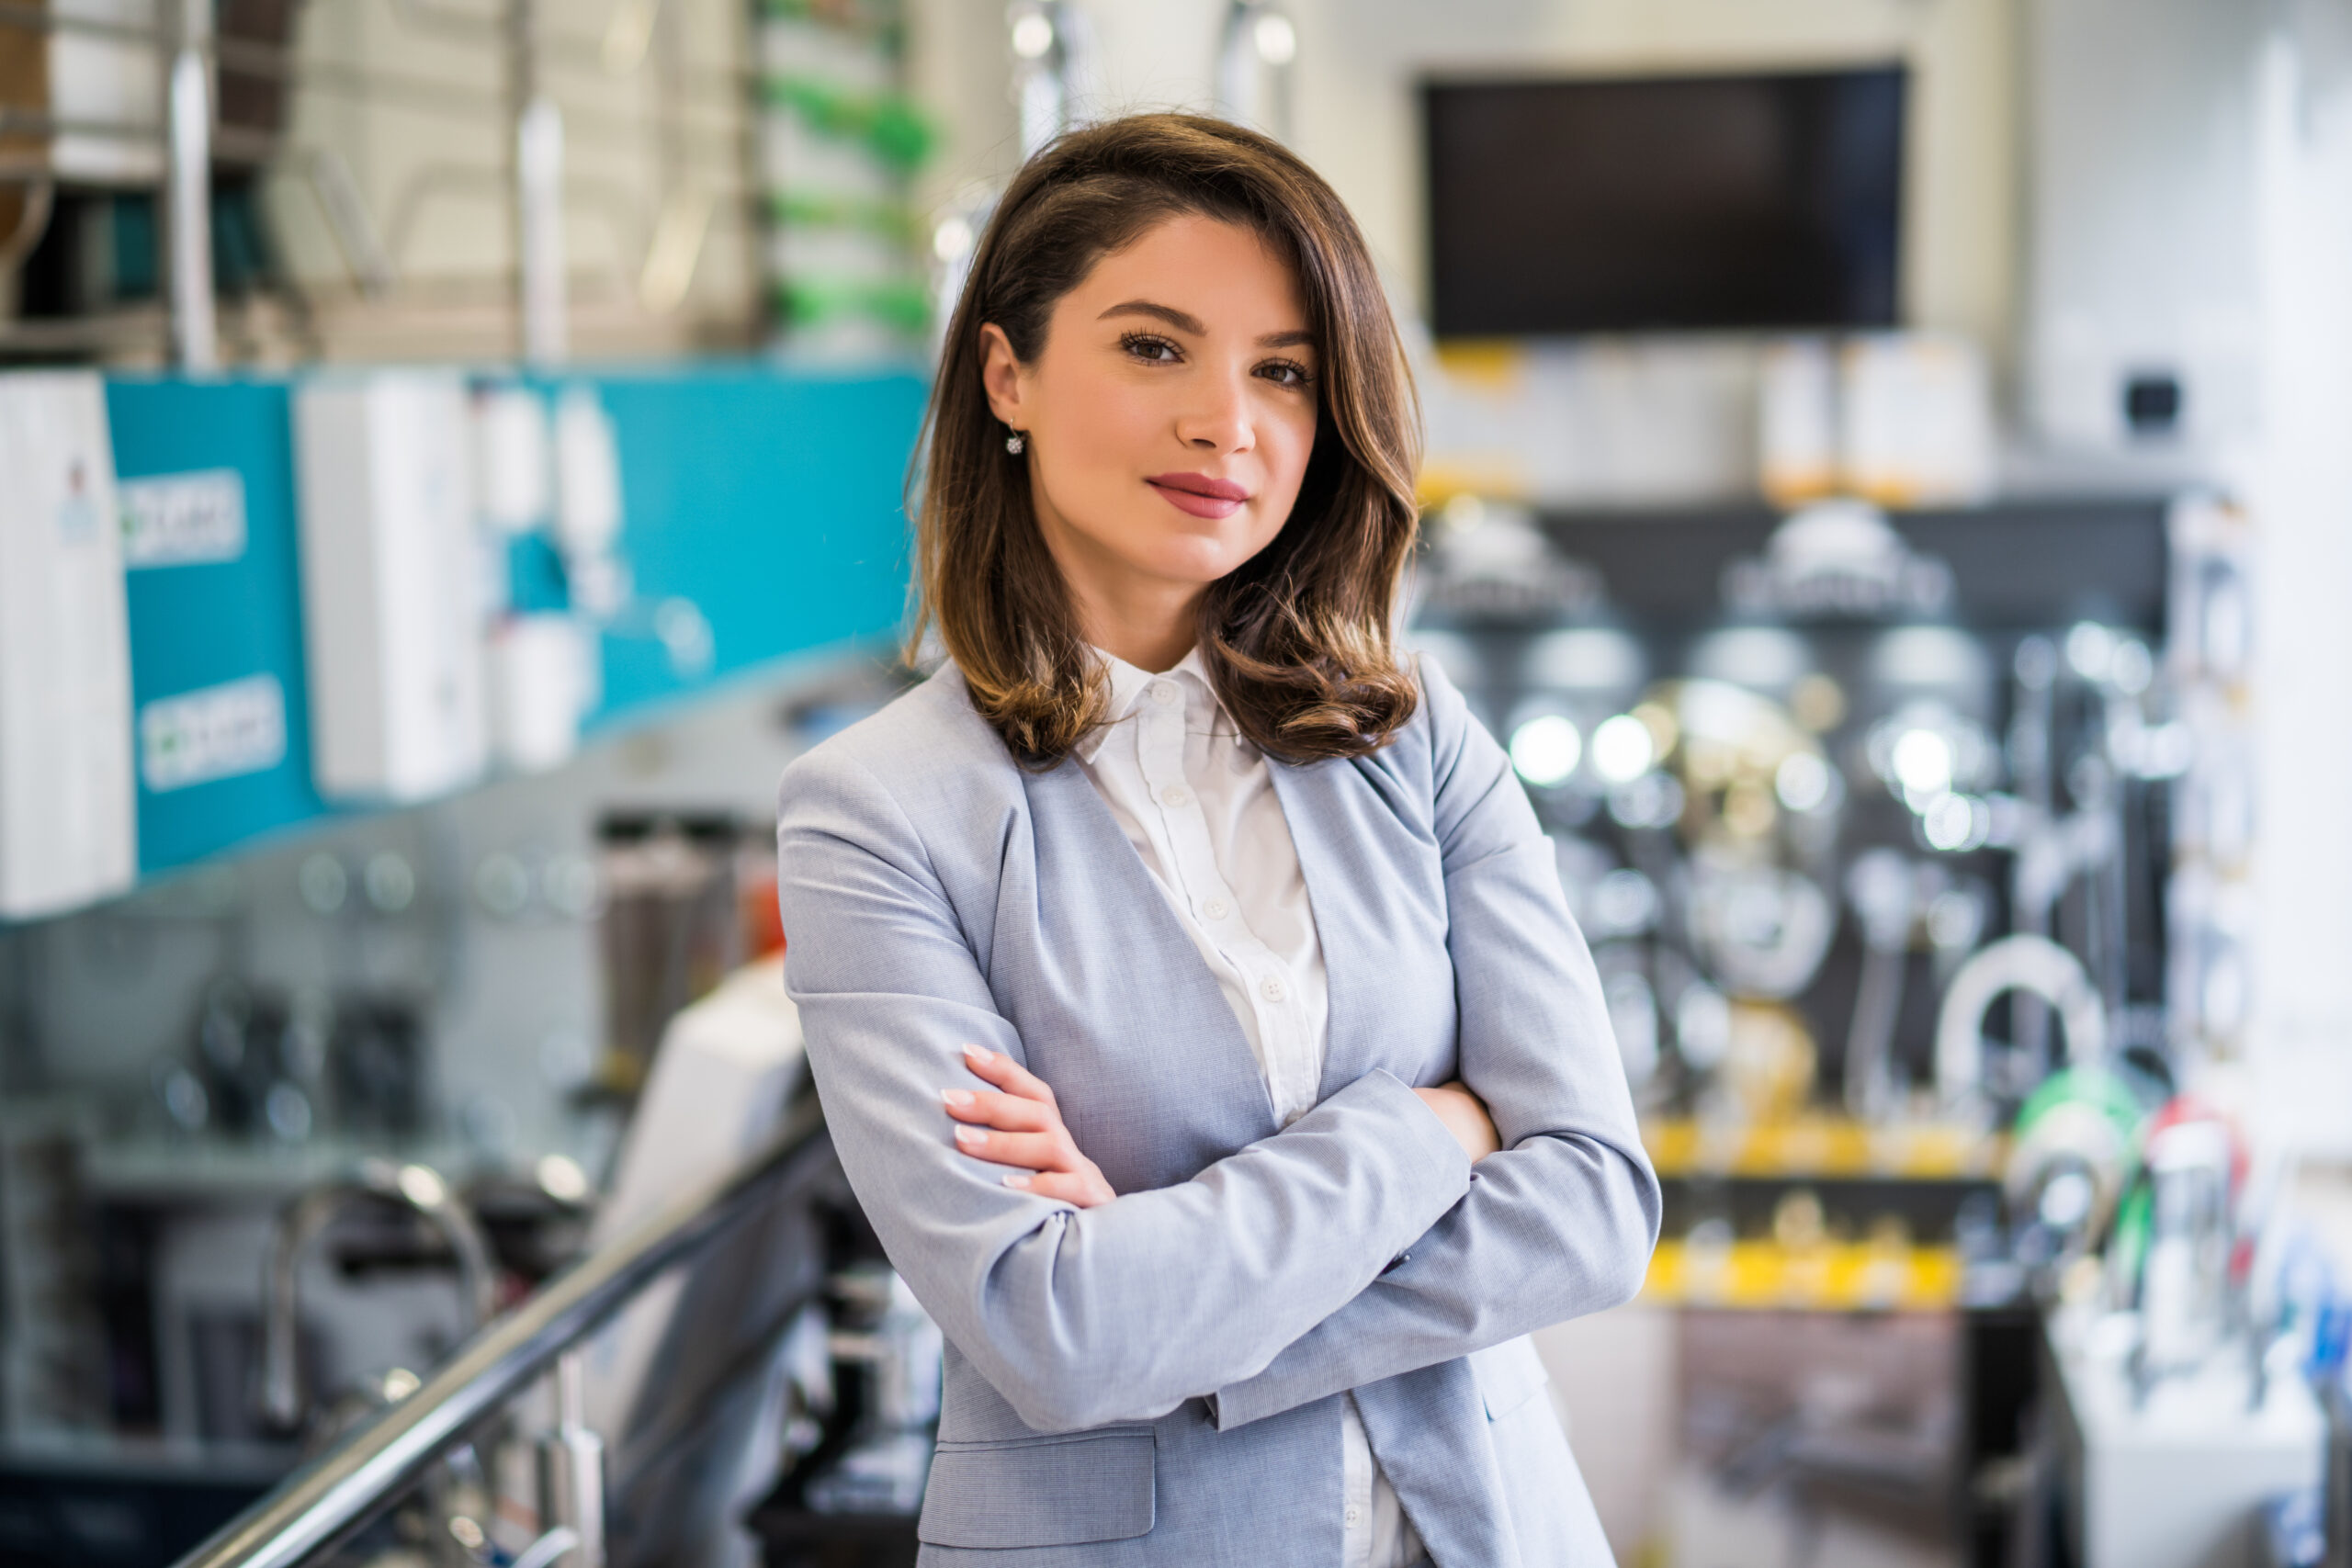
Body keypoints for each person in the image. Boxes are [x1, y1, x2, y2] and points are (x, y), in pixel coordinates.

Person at [775, 112, 1658, 1567]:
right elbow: (1047, 1330)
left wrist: (1176, 1300)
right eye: (1153, 346)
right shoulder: (880, 813)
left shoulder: (1409, 733)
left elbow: (1592, 1206)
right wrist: (1429, 1126)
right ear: (1009, 371)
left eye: (1283, 372)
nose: (1226, 425)